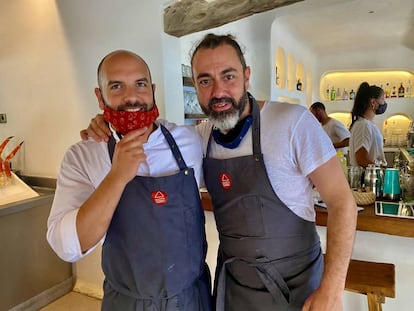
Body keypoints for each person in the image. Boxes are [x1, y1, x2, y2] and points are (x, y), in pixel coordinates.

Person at [81, 35, 357, 311]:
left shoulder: (293, 122)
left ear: (247, 77)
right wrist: (106, 123)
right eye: (205, 81)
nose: (218, 91)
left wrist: (332, 289)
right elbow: (156, 143)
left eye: (228, 76)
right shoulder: (199, 139)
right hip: (234, 290)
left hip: (297, 289)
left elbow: (342, 202)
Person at [47, 50, 212, 311]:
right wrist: (116, 177)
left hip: (192, 298)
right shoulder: (83, 155)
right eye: (116, 86)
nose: (131, 97)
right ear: (100, 97)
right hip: (128, 303)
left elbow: (234, 114)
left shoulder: (189, 141)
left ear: (153, 89)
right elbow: (66, 246)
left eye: (140, 84)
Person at [349, 82, 387, 168]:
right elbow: (361, 159)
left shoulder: (367, 123)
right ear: (373, 102)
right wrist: (380, 171)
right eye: (382, 99)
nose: (384, 103)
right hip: (368, 177)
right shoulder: (363, 125)